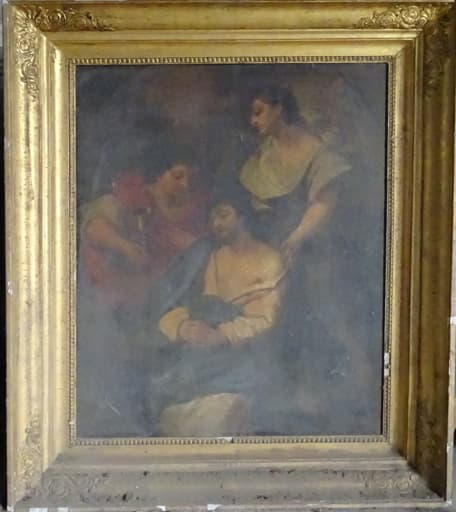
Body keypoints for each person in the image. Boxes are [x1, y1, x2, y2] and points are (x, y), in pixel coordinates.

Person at [239, 85, 375, 434]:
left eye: (259, 111)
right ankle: (285, 403)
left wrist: (297, 238)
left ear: (280, 109)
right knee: (275, 320)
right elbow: (259, 204)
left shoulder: (317, 153)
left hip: (320, 252)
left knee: (327, 316)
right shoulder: (264, 155)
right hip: (278, 251)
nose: (253, 121)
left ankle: (354, 401)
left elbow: (323, 204)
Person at [145, 188, 285, 435]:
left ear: (243, 216)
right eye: (212, 218)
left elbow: (265, 320)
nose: (216, 224)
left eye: (223, 215)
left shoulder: (269, 260)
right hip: (197, 352)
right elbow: (179, 302)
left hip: (242, 354)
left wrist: (222, 335)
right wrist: (183, 327)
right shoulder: (206, 256)